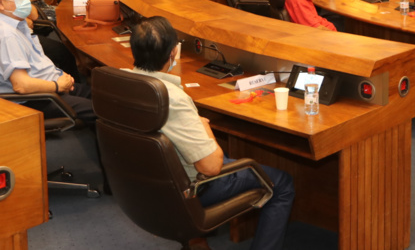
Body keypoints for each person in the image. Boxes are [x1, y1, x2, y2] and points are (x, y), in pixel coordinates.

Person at [125, 16, 294, 250]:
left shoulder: (123, 80)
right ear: (174, 52)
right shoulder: (172, 98)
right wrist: (206, 129)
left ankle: (196, 242)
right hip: (191, 187)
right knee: (282, 183)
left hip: (145, 183)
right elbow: (211, 168)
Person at [0, 0, 94, 122]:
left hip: (49, 85)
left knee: (109, 98)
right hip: (37, 98)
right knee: (104, 110)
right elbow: (21, 85)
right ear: (0, 2)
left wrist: (59, 78)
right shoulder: (6, 34)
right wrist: (57, 85)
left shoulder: (14, 22)